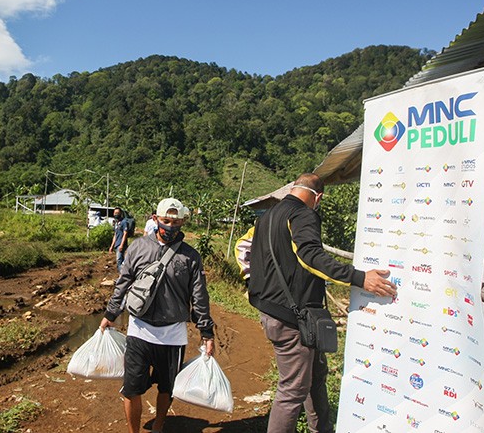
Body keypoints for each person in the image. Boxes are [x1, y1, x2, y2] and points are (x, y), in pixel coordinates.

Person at [248, 173, 396, 433]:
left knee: (315, 378)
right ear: (318, 198)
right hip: (292, 318)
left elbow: (246, 251)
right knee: (292, 391)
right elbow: (310, 257)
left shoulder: (267, 216)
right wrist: (359, 278)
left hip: (275, 310)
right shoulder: (304, 214)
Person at [100, 197, 215, 433]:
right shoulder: (138, 247)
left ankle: (159, 426)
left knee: (167, 388)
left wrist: (206, 332)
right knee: (131, 388)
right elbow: (123, 284)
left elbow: (199, 297)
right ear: (155, 219)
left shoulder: (191, 257)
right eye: (166, 221)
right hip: (138, 330)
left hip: (172, 335)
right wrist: (111, 313)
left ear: (183, 222)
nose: (171, 226)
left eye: (176, 222)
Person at [108, 207, 130, 271]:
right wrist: (112, 246)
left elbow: (125, 234)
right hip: (117, 244)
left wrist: (121, 245)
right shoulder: (116, 223)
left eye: (117, 213)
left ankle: (122, 275)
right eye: (115, 213)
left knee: (119, 260)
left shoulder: (124, 222)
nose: (116, 214)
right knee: (119, 261)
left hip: (121, 244)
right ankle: (122, 275)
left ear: (121, 213)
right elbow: (115, 235)